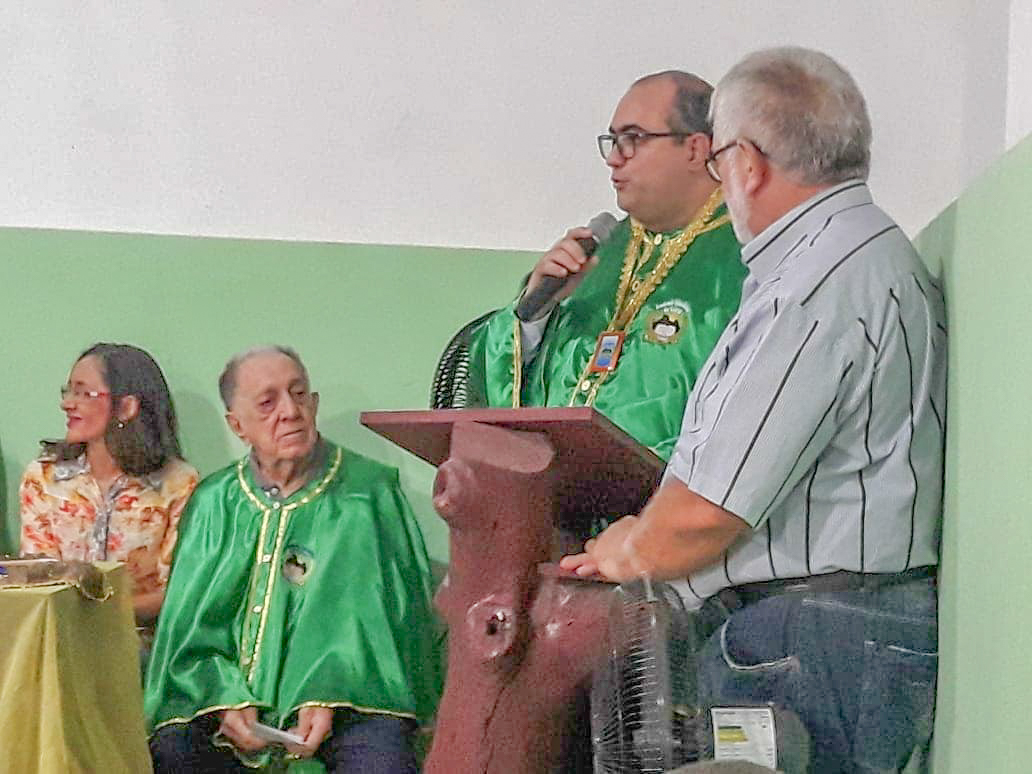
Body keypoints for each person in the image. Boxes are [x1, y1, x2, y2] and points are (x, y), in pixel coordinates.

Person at [562, 47, 945, 773]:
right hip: (832, 629)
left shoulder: (814, 286)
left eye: (719, 160)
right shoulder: (853, 253)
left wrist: (628, 550)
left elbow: (709, 512)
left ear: (748, 163)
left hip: (813, 641)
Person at [146, 346, 439, 773]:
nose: (290, 411)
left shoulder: (368, 494)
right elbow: (188, 632)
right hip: (230, 705)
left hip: (352, 704)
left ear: (314, 404)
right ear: (237, 424)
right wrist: (226, 699)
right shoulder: (213, 502)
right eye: (268, 403)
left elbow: (390, 626)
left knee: (382, 761)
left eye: (299, 394)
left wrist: (326, 695)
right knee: (173, 750)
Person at [467, 71, 746, 463]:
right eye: (612, 141)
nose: (614, 158)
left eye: (633, 139)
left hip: (667, 495)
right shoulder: (598, 251)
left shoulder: (746, 260)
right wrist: (533, 314)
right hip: (553, 489)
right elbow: (488, 388)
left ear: (695, 148)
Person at [19, 343, 198, 637]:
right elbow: (37, 578)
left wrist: (104, 612)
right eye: (68, 391)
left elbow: (178, 592)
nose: (68, 404)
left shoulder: (179, 483)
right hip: (61, 637)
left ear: (126, 407)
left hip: (143, 642)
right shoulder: (44, 478)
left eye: (84, 393)